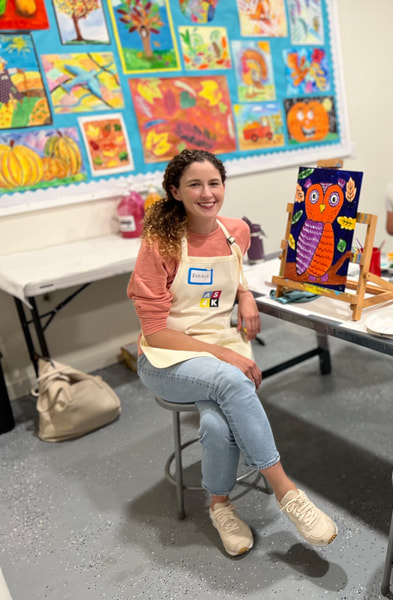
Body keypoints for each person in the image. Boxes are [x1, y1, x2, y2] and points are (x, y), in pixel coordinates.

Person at [127, 149, 337, 557]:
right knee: (229, 379)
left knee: (218, 424)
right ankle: (288, 492)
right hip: (165, 356)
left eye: (214, 183)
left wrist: (245, 296)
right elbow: (156, 331)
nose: (207, 193)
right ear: (175, 191)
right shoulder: (160, 244)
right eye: (194, 185)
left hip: (219, 346)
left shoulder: (235, 231)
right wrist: (223, 356)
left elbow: (235, 274)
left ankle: (219, 506)